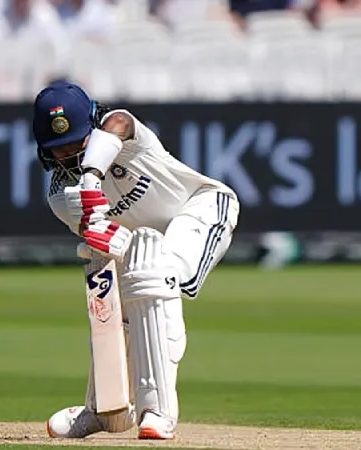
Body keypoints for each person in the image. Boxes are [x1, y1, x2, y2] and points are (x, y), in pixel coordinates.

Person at [32, 81, 239, 440]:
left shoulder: (124, 137)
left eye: (76, 142)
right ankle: (106, 410)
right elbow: (112, 241)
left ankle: (158, 412)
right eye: (59, 148)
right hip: (145, 245)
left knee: (155, 275)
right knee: (130, 293)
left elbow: (120, 122)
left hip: (203, 208)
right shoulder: (60, 195)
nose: (69, 153)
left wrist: (92, 176)